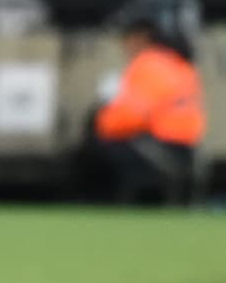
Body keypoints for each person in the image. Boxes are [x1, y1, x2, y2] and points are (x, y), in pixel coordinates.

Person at [81, 17, 204, 204]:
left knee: (93, 147)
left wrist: (101, 123)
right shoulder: (178, 63)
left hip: (161, 147)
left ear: (140, 38)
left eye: (126, 40)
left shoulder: (149, 63)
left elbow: (134, 115)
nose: (124, 47)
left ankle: (101, 204)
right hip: (186, 147)